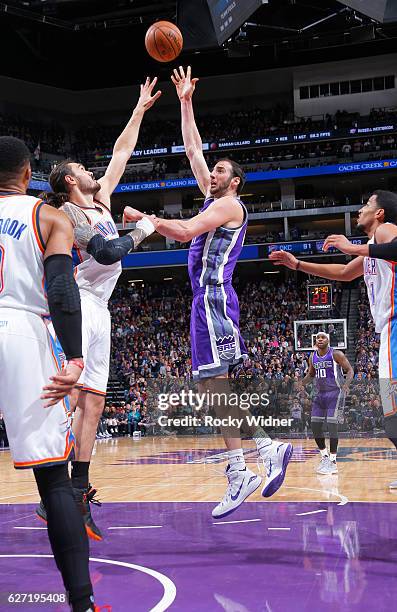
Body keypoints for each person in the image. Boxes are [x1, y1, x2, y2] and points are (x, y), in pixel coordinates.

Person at [124, 66, 293, 519]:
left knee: (216, 386)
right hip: (204, 302)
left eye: (220, 171)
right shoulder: (213, 197)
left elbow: (182, 233)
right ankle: (255, 456)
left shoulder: (229, 205)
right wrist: (184, 101)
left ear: (234, 182)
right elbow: (194, 147)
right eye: (213, 171)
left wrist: (146, 219)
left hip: (215, 299)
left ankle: (252, 458)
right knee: (214, 386)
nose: (211, 173)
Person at [36, 77, 161, 539]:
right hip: (79, 302)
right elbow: (107, 254)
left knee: (94, 402)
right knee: (72, 397)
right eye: (81, 169)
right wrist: (144, 230)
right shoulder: (69, 215)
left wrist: (139, 109)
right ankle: (51, 489)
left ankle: (77, 490)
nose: (92, 171)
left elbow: (121, 152)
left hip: (103, 308)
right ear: (70, 180)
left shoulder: (102, 200)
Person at [0, 136, 96, 611]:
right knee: (54, 480)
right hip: (20, 332)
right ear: (26, 174)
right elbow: (61, 289)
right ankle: (82, 602)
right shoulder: (46, 215)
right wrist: (75, 359)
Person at [270, 190, 397, 488]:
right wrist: (298, 264)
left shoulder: (385, 231)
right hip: (388, 331)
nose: (360, 209)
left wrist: (352, 248)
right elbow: (341, 272)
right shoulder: (371, 246)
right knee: (391, 414)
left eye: (367, 204)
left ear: (379, 213)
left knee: (393, 415)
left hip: (396, 325)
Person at [299, 332, 353, 475]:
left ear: (328, 340)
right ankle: (324, 457)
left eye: (323, 337)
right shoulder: (313, 356)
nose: (320, 339)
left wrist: (346, 384)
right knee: (315, 425)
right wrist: (301, 383)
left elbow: (350, 370)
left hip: (335, 393)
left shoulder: (336, 354)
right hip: (320, 394)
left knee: (331, 424)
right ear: (315, 341)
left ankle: (333, 461)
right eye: (318, 338)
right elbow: (311, 375)